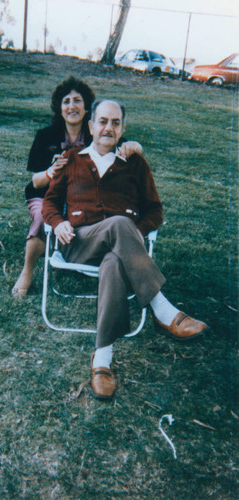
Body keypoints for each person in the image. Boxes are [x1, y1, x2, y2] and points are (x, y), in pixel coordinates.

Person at [42, 99, 209, 400]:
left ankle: (102, 359)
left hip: (119, 249)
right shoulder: (71, 159)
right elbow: (49, 203)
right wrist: (57, 223)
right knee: (120, 225)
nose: (109, 128)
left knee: (115, 261)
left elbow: (154, 211)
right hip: (79, 243)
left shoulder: (135, 164)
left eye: (115, 123)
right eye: (103, 121)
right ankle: (162, 308)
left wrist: (137, 233)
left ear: (122, 129)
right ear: (91, 126)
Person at [12, 77, 143, 298]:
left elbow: (128, 145)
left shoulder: (97, 129)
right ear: (59, 108)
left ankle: (90, 257)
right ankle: (27, 271)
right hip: (45, 193)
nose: (72, 106)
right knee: (43, 219)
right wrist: (52, 171)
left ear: (86, 108)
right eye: (66, 101)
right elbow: (35, 182)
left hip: (80, 196)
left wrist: (134, 146)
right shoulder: (45, 136)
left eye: (77, 100)